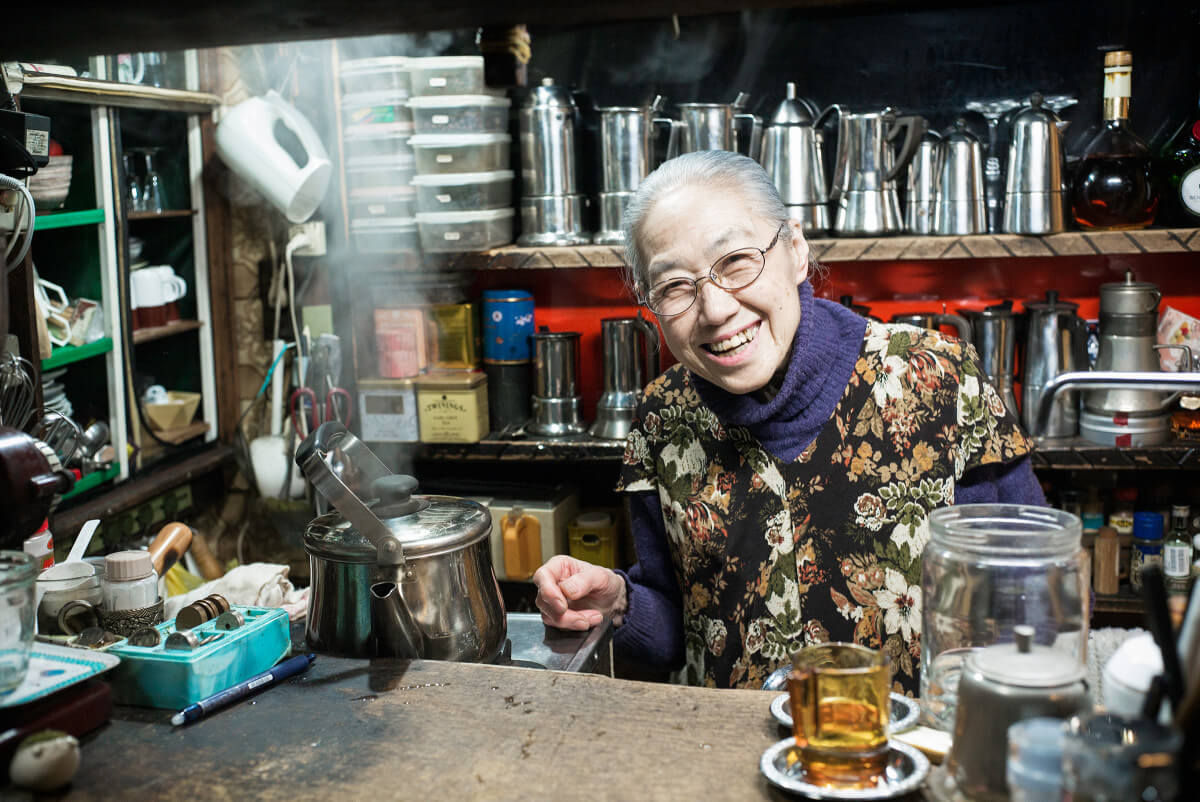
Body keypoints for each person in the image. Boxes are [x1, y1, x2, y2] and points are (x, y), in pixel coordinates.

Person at [533, 151, 1044, 693]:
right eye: (675, 287)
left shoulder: (934, 377)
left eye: (735, 262)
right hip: (729, 752)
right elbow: (681, 628)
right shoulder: (664, 418)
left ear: (796, 251)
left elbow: (1030, 591)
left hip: (904, 752)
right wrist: (618, 603)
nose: (714, 310)